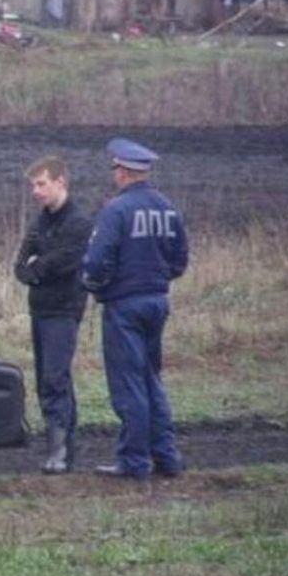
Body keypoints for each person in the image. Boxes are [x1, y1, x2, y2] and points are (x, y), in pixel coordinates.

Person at [81, 138, 189, 479]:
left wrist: (94, 284)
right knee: (151, 379)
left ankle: (133, 461)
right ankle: (167, 457)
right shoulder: (167, 207)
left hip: (124, 305)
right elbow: (180, 260)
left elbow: (96, 261)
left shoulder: (116, 210)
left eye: (115, 169)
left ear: (123, 172)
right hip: (157, 301)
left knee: (129, 384)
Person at [14, 156, 92, 474]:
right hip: (40, 309)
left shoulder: (79, 223)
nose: (36, 191)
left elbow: (63, 263)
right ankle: (60, 447)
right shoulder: (40, 222)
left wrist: (39, 265)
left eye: (41, 184)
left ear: (60, 182)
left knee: (55, 379)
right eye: (33, 185)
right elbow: (21, 266)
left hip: (64, 309)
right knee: (47, 379)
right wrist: (37, 267)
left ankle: (60, 451)